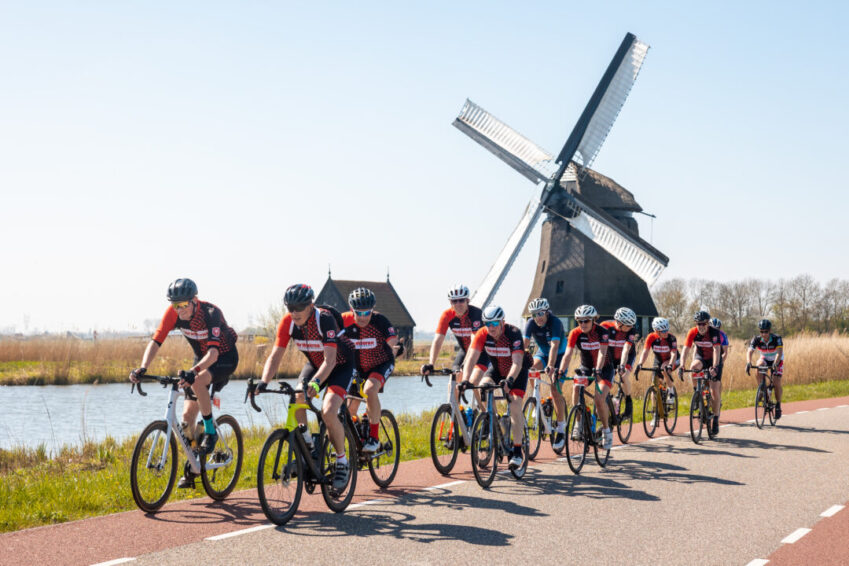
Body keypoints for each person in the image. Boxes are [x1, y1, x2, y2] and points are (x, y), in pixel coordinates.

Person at [129, 278, 239, 489]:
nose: (179, 309)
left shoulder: (210, 313)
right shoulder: (173, 314)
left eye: (183, 304)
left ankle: (211, 432)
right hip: (201, 360)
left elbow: (214, 353)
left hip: (224, 358)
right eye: (174, 304)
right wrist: (143, 368)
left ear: (194, 300)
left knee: (196, 382)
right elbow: (156, 341)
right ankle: (195, 464)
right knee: (187, 418)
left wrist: (193, 372)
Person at [256, 284, 356, 490]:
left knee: (329, 411)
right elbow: (275, 356)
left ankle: (342, 461)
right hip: (315, 364)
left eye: (299, 307)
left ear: (310, 305)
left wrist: (317, 383)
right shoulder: (288, 322)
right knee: (297, 397)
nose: (294, 312)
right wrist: (263, 381)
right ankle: (310, 447)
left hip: (340, 365)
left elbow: (330, 361)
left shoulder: (324, 319)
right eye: (290, 308)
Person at [459, 306, 530, 469]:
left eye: (495, 322)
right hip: (497, 369)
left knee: (514, 406)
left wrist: (510, 380)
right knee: (482, 386)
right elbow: (471, 358)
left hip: (516, 372)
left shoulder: (513, 333)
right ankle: (495, 422)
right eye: (487, 323)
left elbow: (518, 362)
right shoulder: (482, 333)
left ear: (502, 322)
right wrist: (465, 380)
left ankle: (518, 451)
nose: (491, 326)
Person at [341, 287, 400, 452]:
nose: (362, 317)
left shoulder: (379, 320)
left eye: (367, 313)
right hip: (357, 368)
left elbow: (393, 339)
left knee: (369, 390)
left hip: (380, 364)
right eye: (358, 313)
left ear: (372, 311)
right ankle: (357, 441)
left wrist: (395, 347)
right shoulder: (343, 320)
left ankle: (374, 437)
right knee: (349, 410)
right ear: (351, 309)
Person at [421, 284, 490, 407]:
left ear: (467, 300)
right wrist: (431, 363)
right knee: (453, 383)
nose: (458, 304)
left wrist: (466, 365)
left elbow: (474, 343)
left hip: (481, 352)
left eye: (461, 300)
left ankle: (485, 415)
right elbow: (438, 340)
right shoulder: (447, 315)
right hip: (464, 351)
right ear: (450, 302)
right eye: (454, 301)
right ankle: (458, 415)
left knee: (474, 382)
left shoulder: (476, 314)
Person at [558, 305, 615, 450]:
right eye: (580, 321)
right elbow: (568, 354)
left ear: (593, 320)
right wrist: (560, 371)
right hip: (586, 368)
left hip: (604, 368)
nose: (583, 324)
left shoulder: (602, 332)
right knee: (576, 387)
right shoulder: (575, 333)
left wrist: (598, 369)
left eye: (586, 321)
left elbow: (602, 353)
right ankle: (578, 423)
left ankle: (607, 431)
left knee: (599, 398)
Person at [523, 297, 568, 450]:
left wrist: (550, 365)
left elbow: (555, 347)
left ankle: (561, 429)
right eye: (534, 314)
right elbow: (524, 344)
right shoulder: (530, 323)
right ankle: (538, 401)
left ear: (547, 312)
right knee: (531, 370)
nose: (538, 317)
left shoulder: (555, 322)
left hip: (560, 355)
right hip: (542, 353)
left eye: (541, 313)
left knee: (555, 390)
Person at [678, 310, 723, 436]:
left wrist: (715, 367)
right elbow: (685, 350)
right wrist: (682, 365)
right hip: (701, 357)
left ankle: (715, 419)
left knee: (714, 390)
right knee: (693, 367)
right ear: (696, 324)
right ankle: (697, 393)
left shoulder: (714, 332)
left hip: (714, 360)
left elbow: (716, 350)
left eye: (704, 324)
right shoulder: (692, 332)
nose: (701, 326)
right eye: (699, 324)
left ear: (708, 323)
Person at [600, 307, 638, 419]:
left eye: (632, 325)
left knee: (624, 376)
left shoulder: (631, 330)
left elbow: (626, 349)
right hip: (610, 358)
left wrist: (622, 366)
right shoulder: (605, 327)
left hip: (627, 356)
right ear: (620, 323)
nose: (631, 327)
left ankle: (628, 401)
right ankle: (609, 405)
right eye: (628, 325)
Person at [746, 318, 785, 419]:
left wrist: (775, 364)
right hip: (765, 358)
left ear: (770, 330)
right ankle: (763, 390)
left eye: (766, 332)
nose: (764, 334)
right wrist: (748, 362)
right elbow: (749, 351)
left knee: (776, 383)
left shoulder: (777, 338)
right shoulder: (757, 339)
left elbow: (779, 352)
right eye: (761, 332)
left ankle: (778, 405)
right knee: (758, 365)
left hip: (777, 359)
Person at [636, 317, 680, 403]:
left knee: (665, 368)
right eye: (663, 331)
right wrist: (640, 363)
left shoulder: (671, 338)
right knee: (654, 384)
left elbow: (673, 354)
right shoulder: (651, 337)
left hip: (673, 359)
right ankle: (654, 412)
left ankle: (671, 393)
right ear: (656, 331)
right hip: (659, 360)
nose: (666, 332)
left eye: (667, 329)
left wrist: (670, 365)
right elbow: (645, 352)